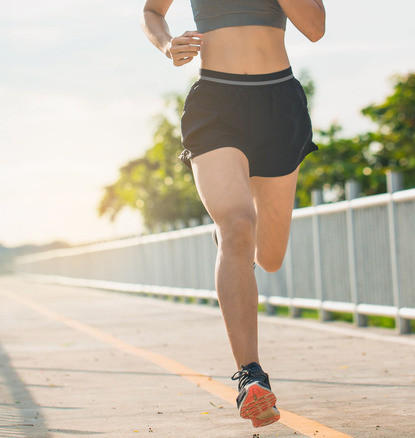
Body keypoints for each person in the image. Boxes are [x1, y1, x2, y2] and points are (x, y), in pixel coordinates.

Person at [141, 0, 325, 428]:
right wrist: (168, 45)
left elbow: (314, 27)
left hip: (279, 104)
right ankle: (250, 376)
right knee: (239, 224)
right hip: (216, 102)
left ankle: (230, 238)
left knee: (271, 257)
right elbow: (151, 10)